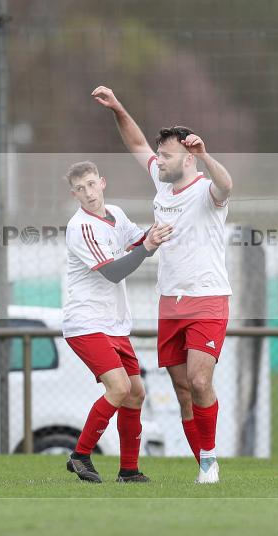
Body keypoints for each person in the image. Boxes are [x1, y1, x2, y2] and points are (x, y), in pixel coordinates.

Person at [92, 86, 233, 484]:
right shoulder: (163, 183)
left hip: (208, 297)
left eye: (168, 155)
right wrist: (119, 107)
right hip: (170, 302)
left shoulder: (207, 190)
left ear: (189, 158)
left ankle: (209, 462)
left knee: (201, 380)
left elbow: (228, 185)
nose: (160, 161)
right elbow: (136, 142)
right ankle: (203, 461)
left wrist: (206, 154)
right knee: (183, 389)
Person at [63, 161, 172, 483]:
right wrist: (148, 247)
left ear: (102, 182)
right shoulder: (81, 227)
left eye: (92, 184)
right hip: (86, 321)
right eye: (81, 189)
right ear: (74, 194)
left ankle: (128, 470)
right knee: (120, 387)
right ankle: (80, 455)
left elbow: (138, 244)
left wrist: (160, 231)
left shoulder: (115, 213)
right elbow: (112, 272)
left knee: (135, 393)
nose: (88, 192)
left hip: (114, 324)